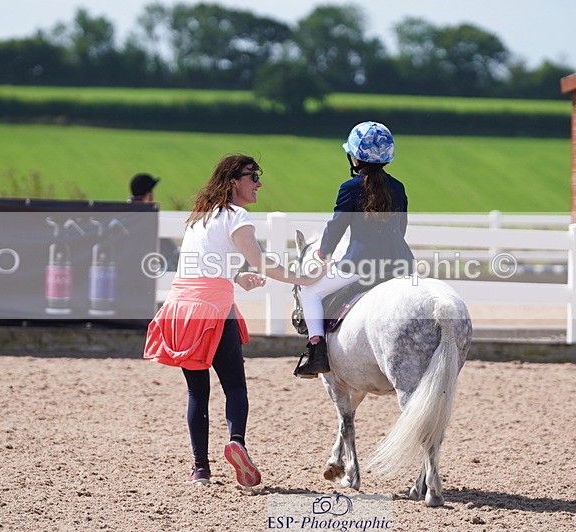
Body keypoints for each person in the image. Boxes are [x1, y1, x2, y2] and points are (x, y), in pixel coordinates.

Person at [143, 154, 321, 487]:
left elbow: (204, 265)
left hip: (180, 307)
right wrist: (303, 277)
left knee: (197, 393)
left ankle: (200, 470)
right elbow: (261, 261)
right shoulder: (236, 216)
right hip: (213, 310)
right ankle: (236, 441)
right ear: (234, 181)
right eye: (253, 177)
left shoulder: (200, 217)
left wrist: (238, 278)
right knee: (235, 387)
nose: (259, 183)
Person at [294, 121, 414, 378]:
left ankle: (316, 352)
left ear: (355, 157)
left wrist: (322, 254)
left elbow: (337, 225)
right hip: (401, 264)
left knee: (310, 291)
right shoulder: (399, 188)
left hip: (361, 264)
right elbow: (401, 227)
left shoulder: (350, 188)